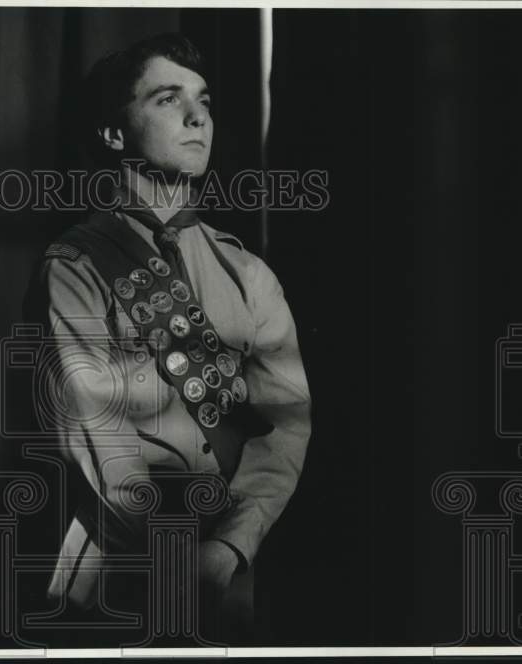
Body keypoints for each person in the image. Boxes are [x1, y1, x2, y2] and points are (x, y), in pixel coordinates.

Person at [26, 33, 311, 644]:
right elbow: (94, 430)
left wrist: (230, 548)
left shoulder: (248, 276)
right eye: (166, 99)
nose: (197, 115)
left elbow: (284, 427)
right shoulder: (76, 267)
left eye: (203, 100)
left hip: (227, 576)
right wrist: (178, 559)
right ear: (112, 133)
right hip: (115, 576)